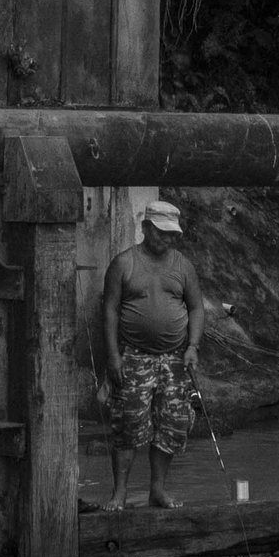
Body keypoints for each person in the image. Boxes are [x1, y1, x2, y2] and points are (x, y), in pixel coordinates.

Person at [98, 198, 207, 509]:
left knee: (172, 425)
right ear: (145, 228)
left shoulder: (183, 266)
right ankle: (119, 493)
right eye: (162, 232)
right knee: (128, 425)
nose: (168, 239)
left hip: (175, 359)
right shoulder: (124, 263)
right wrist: (113, 356)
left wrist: (193, 347)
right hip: (134, 356)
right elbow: (110, 311)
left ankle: (157, 490)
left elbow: (197, 308)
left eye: (172, 234)